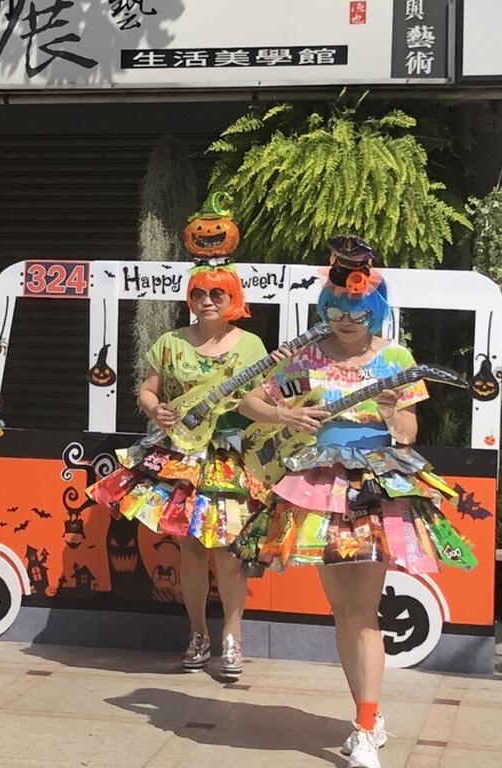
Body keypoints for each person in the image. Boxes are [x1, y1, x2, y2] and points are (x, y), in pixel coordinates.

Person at [235, 236, 473, 768]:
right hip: (317, 487)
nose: (344, 320)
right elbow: (250, 402)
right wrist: (286, 415)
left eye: (356, 311)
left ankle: (365, 729)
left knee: (363, 612)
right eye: (336, 309)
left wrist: (390, 411)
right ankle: (370, 713)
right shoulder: (305, 356)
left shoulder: (395, 359)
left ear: (375, 309)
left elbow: (408, 432)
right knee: (342, 612)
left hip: (373, 489)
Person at [89, 250, 269, 680]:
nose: (207, 301)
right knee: (191, 548)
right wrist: (156, 410)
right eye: (198, 294)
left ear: (233, 297)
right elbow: (147, 391)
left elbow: (262, 401)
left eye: (217, 294)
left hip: (229, 456)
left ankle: (232, 635)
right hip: (182, 455)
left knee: (227, 550)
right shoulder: (169, 343)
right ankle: (197, 633)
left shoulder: (252, 346)